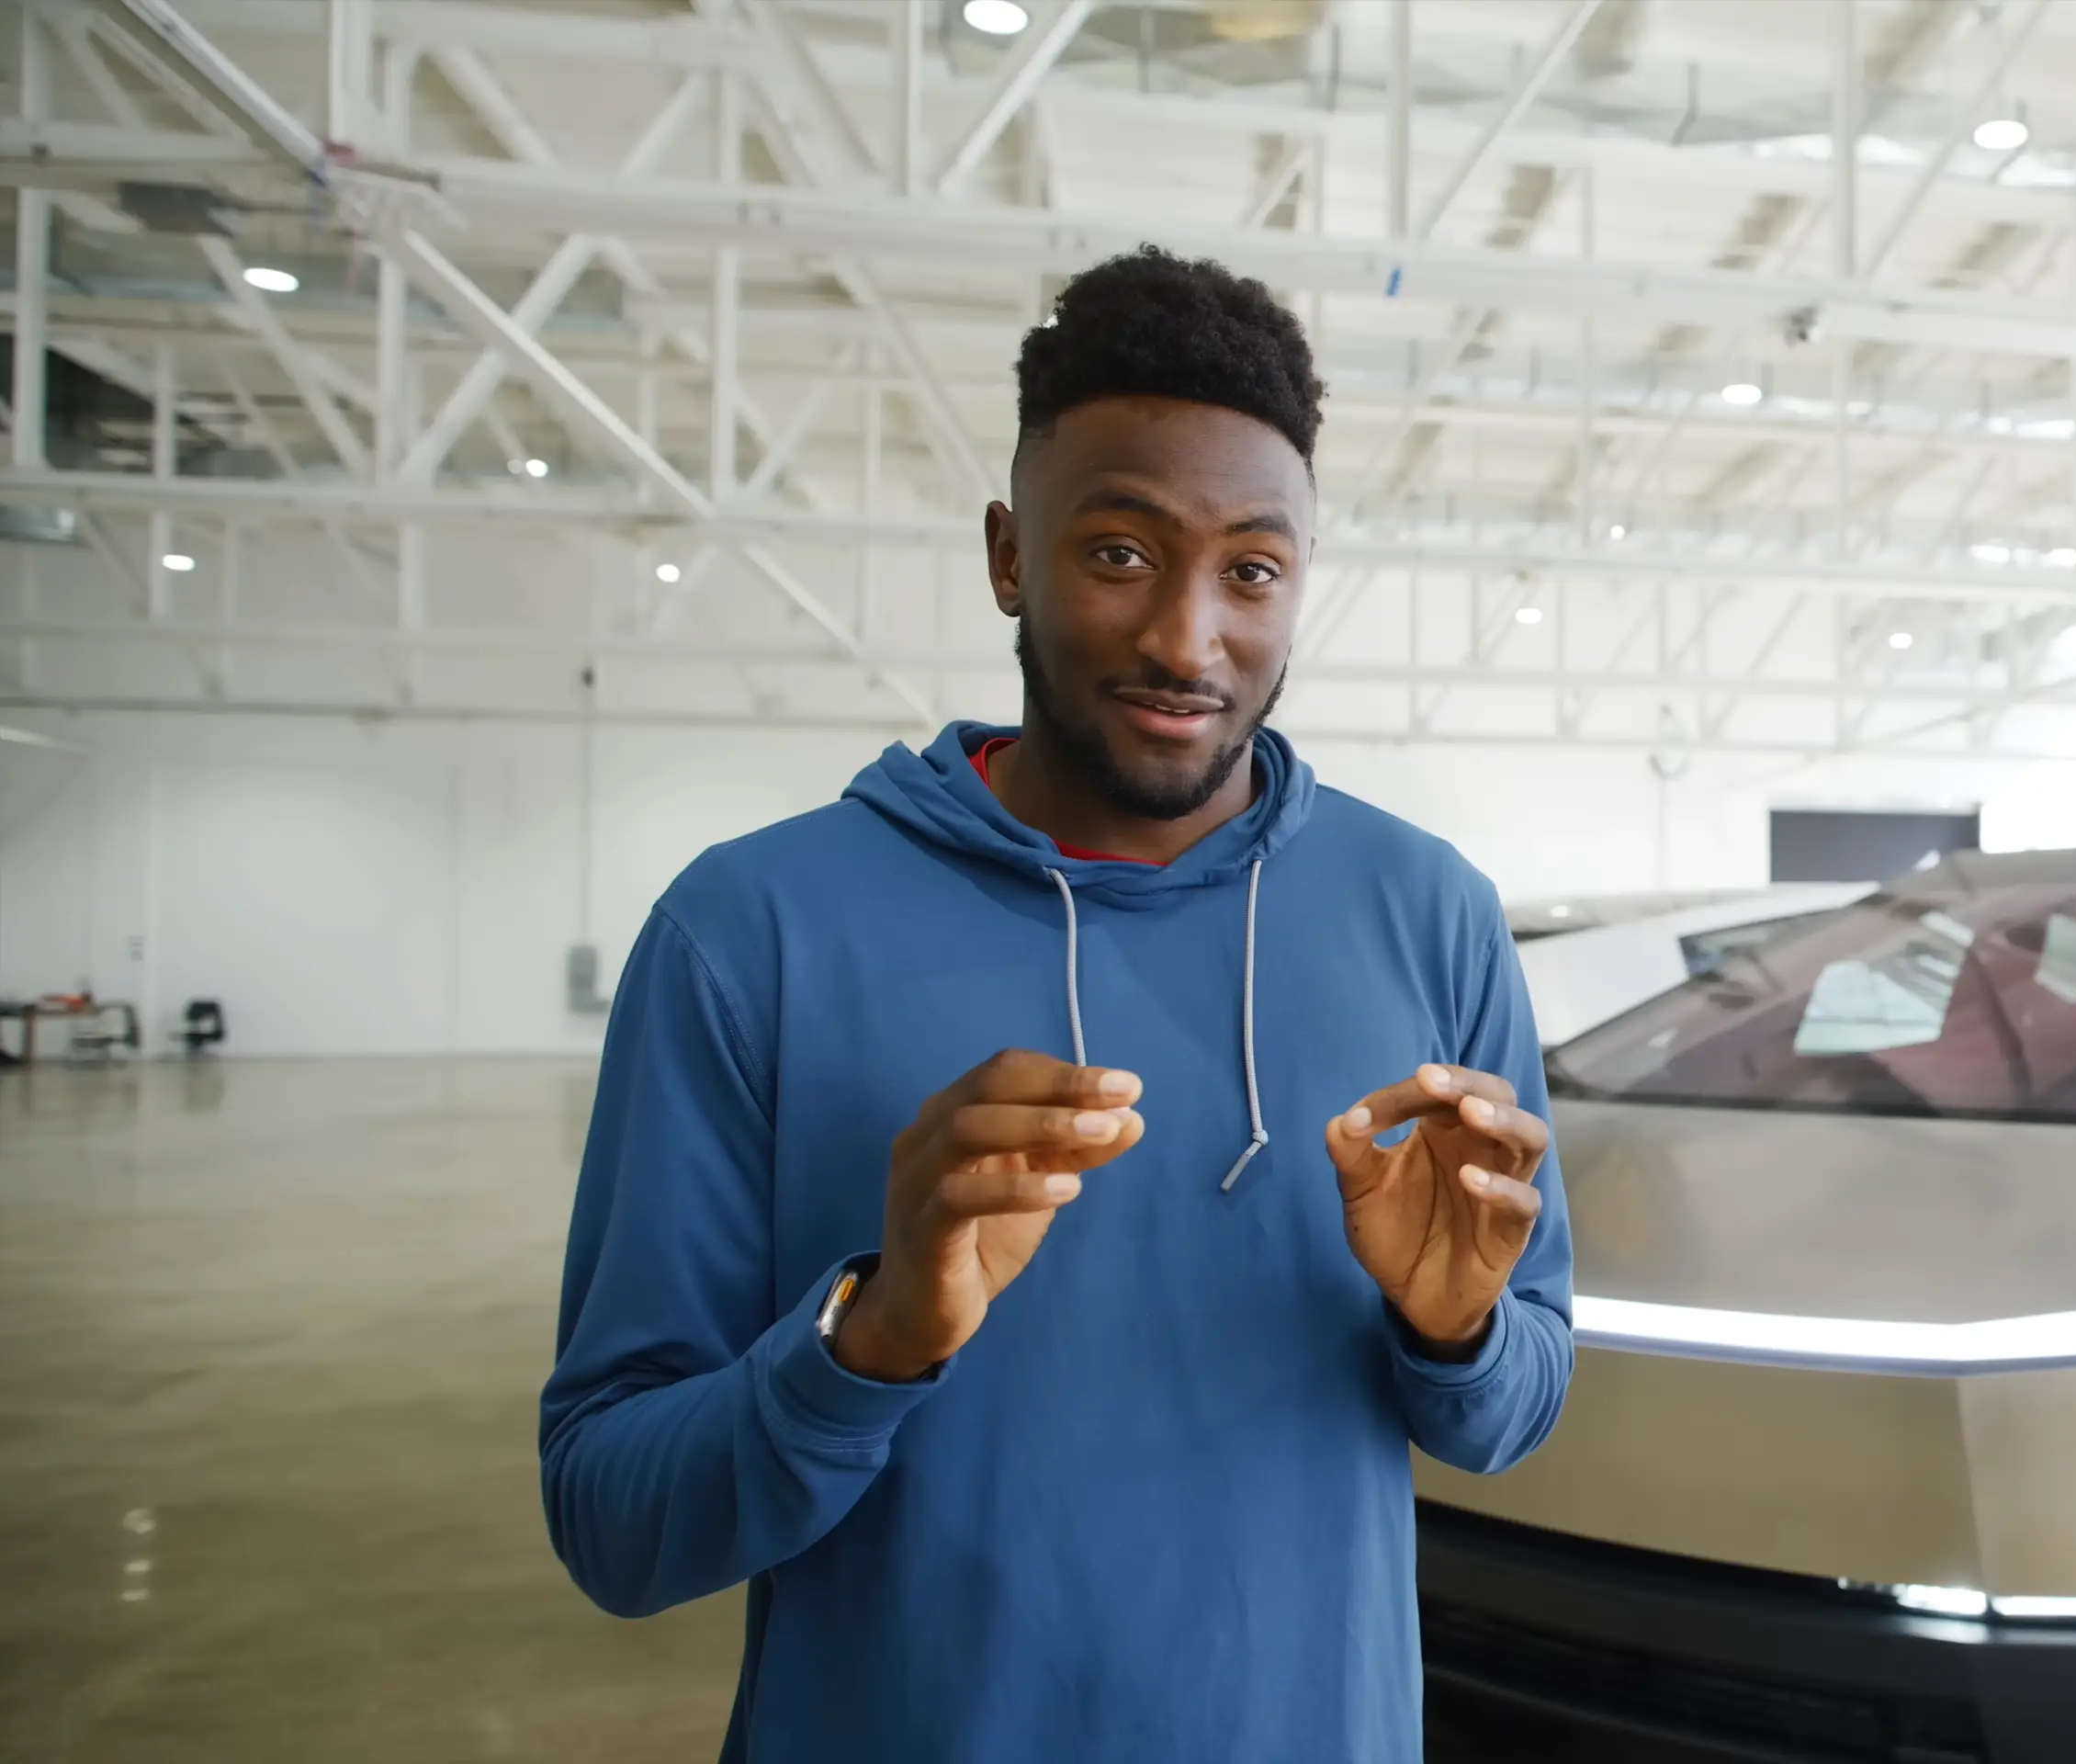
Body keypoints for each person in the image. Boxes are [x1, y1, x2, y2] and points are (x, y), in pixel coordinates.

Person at [539, 247, 1572, 1761]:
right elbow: (616, 1522)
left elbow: (1515, 1406)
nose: (1186, 639)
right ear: (1010, 557)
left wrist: (1460, 1324)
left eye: (1253, 572)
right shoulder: (749, 931)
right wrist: (870, 1339)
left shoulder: (1427, 913)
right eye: (1120, 553)